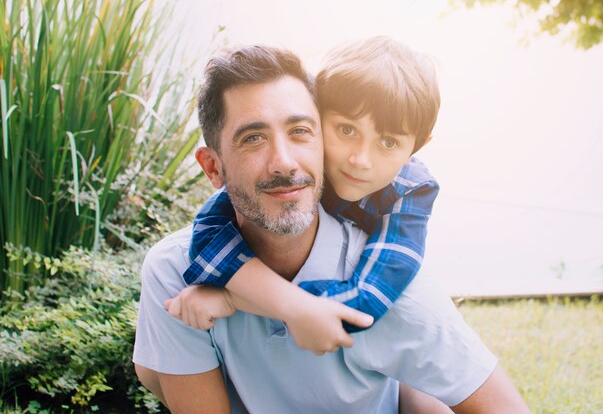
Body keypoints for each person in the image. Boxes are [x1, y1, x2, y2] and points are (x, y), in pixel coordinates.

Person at [133, 44, 531, 414]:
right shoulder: (176, 271)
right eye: (253, 138)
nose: (283, 162)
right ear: (213, 167)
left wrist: (238, 300)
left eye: (300, 131)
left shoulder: (396, 279)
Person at [168, 36, 441, 356]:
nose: (360, 159)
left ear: (416, 148)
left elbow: (367, 303)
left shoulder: (410, 195)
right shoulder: (299, 166)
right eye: (347, 130)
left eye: (389, 143)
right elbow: (209, 237)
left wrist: (235, 298)